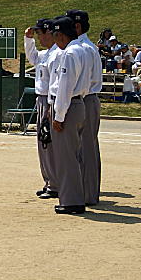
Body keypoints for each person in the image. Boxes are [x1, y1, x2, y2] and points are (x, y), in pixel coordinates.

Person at [50, 16, 89, 214]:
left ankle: (71, 201)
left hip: (69, 106)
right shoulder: (82, 50)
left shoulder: (69, 53)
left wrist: (59, 116)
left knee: (66, 157)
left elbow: (65, 87)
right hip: (78, 103)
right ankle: (75, 197)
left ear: (61, 35)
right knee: (74, 155)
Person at [66, 9, 101, 207]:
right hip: (86, 98)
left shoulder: (82, 48)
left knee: (86, 148)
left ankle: (88, 194)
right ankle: (86, 191)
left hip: (86, 98)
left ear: (77, 26)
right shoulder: (84, 47)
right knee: (86, 147)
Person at [24, 20, 60, 199]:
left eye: (40, 34)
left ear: (50, 33)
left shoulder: (57, 54)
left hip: (49, 100)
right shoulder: (46, 54)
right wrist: (28, 39)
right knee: (43, 143)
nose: (39, 37)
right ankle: (48, 181)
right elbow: (32, 57)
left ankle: (55, 184)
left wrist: (50, 107)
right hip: (42, 99)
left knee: (49, 143)